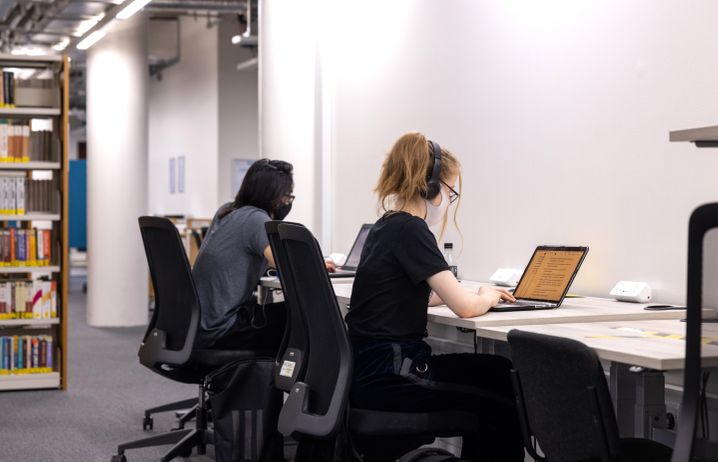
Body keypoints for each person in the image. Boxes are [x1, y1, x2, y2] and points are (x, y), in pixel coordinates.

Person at [346, 133, 524, 461]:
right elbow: (467, 310)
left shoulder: (384, 227)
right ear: (431, 187)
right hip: (397, 374)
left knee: (493, 375)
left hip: (371, 371)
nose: (448, 201)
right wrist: (483, 295)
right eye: (450, 192)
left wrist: (464, 293)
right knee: (502, 379)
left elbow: (411, 297)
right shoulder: (412, 229)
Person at [193, 158, 335, 351]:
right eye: (286, 195)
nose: (287, 202)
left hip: (199, 325)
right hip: (221, 330)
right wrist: (317, 264)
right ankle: (287, 378)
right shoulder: (256, 220)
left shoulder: (226, 211)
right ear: (271, 195)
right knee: (298, 315)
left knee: (276, 312)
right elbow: (286, 264)